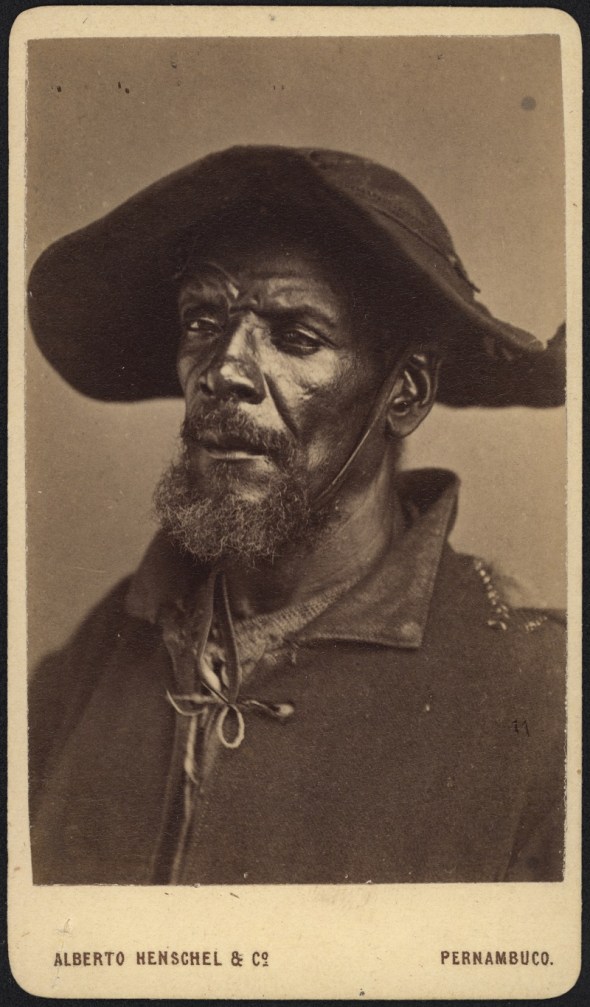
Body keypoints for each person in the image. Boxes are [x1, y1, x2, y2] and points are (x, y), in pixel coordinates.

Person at [27, 145, 566, 886]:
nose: (223, 370)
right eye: (202, 322)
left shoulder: (538, 688)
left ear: (404, 394)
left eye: (296, 337)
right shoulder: (100, 650)